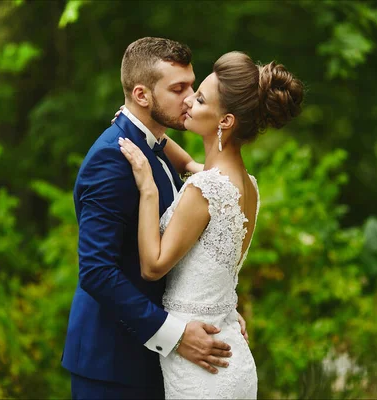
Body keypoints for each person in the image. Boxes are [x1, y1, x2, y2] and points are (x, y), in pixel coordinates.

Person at [62, 37, 249, 400]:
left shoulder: (157, 146)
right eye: (178, 88)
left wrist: (221, 307)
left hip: (158, 364)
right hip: (112, 366)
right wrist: (175, 334)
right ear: (142, 95)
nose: (190, 97)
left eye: (192, 85)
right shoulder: (112, 160)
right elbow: (96, 271)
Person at [118, 51, 304, 398]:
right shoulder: (245, 184)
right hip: (229, 354)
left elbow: (154, 266)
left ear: (225, 121)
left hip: (201, 367)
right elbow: (189, 162)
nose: (188, 101)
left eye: (200, 99)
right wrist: (138, 127)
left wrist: (147, 190)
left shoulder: (206, 189)